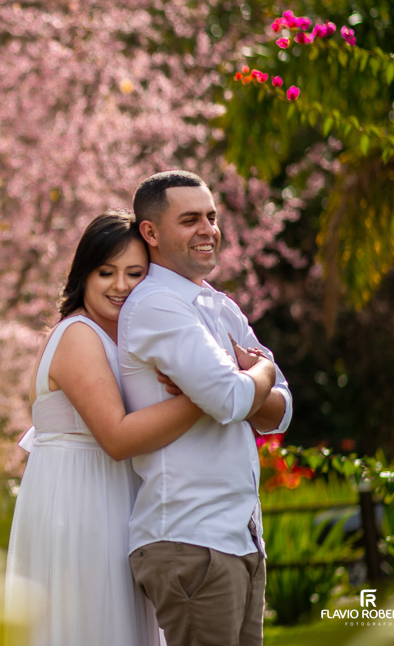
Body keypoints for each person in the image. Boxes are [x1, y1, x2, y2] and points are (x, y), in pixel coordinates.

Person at [5, 210, 272, 646]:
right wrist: (206, 393)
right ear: (82, 275)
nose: (121, 285)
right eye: (105, 272)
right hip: (79, 503)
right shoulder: (78, 335)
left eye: (135, 273)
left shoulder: (122, 341)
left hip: (119, 499)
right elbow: (117, 436)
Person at [118, 170, 292, 646]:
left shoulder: (219, 306)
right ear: (150, 233)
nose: (208, 230)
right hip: (191, 540)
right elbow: (230, 399)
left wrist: (249, 387)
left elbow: (279, 414)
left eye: (212, 217)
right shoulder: (157, 305)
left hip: (240, 537)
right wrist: (262, 373)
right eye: (190, 219)